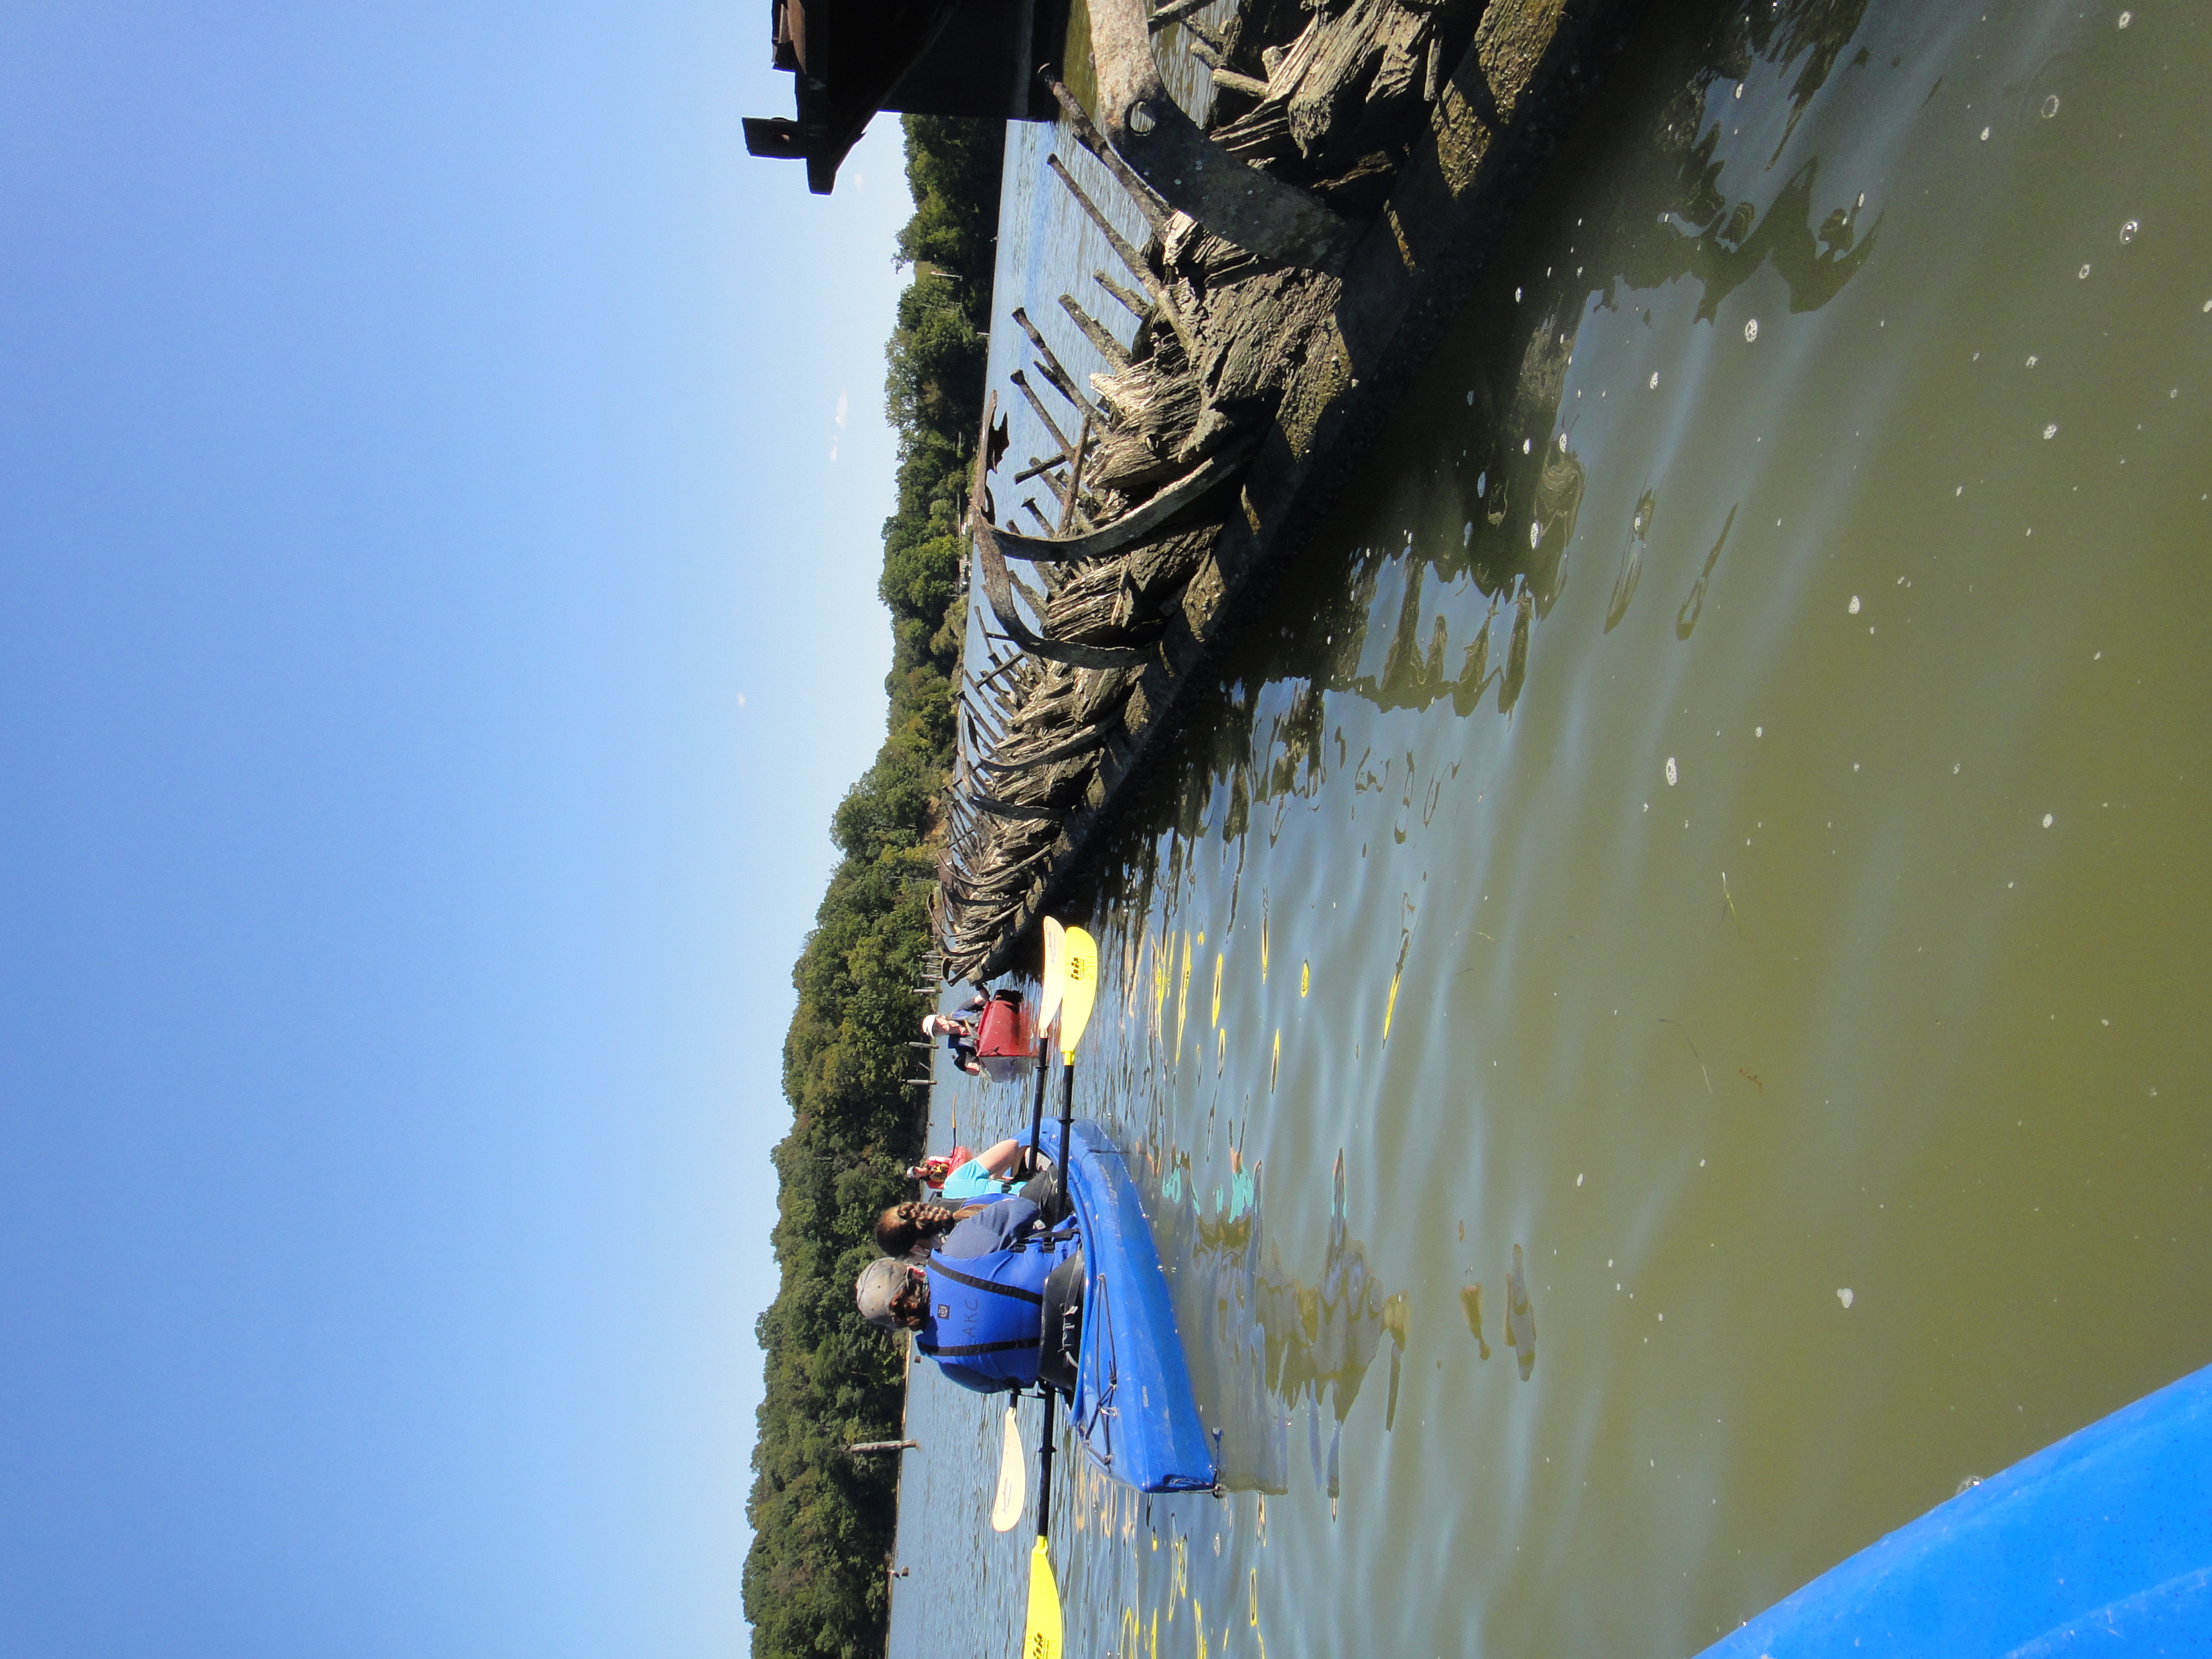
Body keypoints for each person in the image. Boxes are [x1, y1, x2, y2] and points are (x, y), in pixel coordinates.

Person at [855, 1194, 1081, 1395]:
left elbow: (1014, 1382)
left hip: (1077, 1357)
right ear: (913, 1270)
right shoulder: (957, 1249)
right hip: (1082, 1270)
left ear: (899, 1325)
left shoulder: (952, 1367)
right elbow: (1027, 1208)